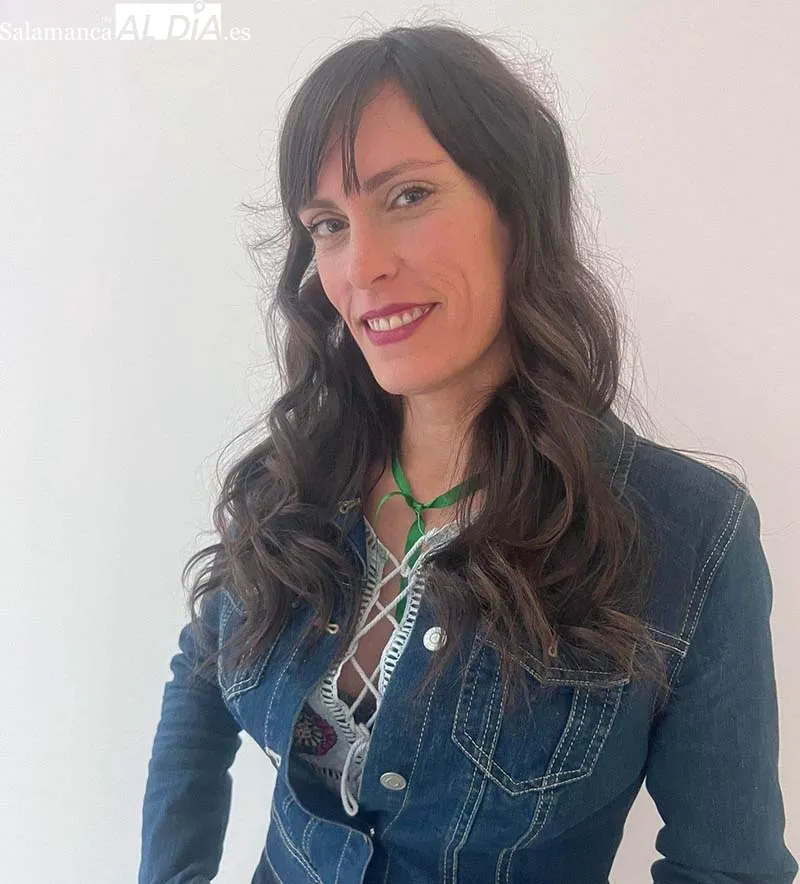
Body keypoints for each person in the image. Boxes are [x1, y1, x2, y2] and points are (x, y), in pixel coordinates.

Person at [138, 22, 797, 884]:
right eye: (329, 224)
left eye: (408, 196)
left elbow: (729, 869)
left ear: (517, 211)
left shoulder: (686, 535)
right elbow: (200, 678)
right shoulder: (293, 481)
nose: (362, 266)